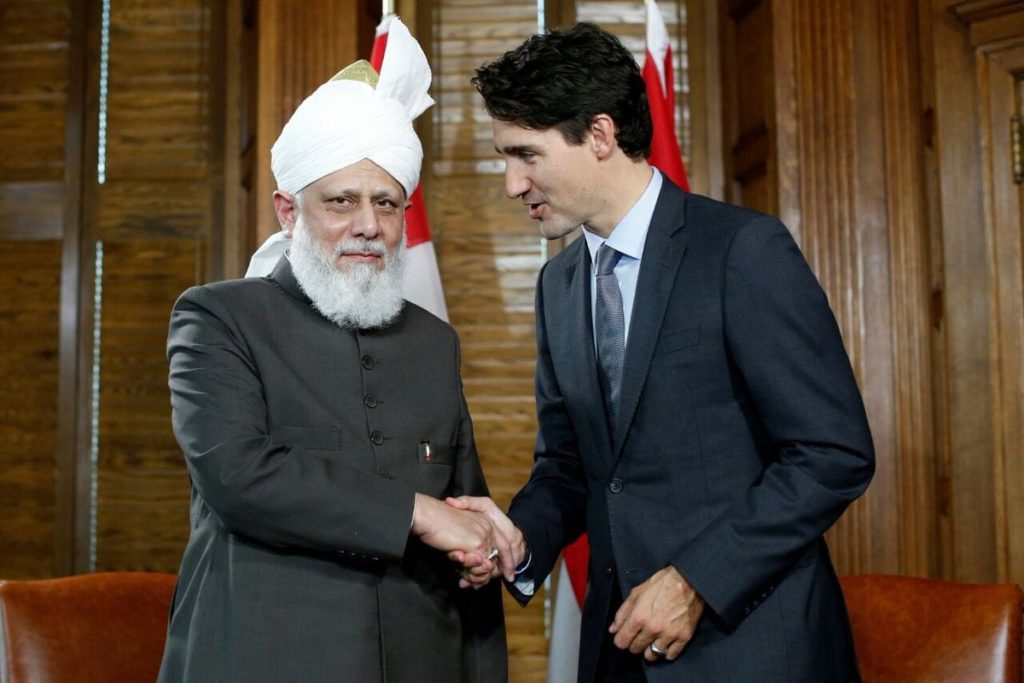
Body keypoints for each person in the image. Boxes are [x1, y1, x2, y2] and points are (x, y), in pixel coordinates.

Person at [450, 22, 875, 682]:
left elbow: (832, 453)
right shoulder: (558, 285)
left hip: (752, 651)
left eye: (525, 154)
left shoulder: (741, 251)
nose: (511, 183)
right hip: (618, 651)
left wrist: (696, 580)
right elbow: (570, 464)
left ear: (599, 135)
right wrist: (515, 541)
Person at [158, 20, 508, 683]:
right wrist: (418, 513)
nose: (368, 225)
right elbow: (239, 475)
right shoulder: (218, 318)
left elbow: (463, 505)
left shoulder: (434, 342)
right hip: (266, 659)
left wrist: (487, 544)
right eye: (341, 201)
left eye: (387, 203)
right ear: (288, 211)